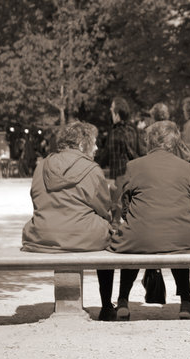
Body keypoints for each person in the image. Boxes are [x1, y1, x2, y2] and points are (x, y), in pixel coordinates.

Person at [106, 121, 190, 320]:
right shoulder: (187, 168)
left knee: (135, 236)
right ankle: (186, 303)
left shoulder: (134, 166)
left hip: (140, 236)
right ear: (173, 143)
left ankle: (122, 301)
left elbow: (125, 203)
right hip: (182, 236)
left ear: (150, 141)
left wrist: (136, 218)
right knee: (176, 234)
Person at [20, 121, 115, 319]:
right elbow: (103, 208)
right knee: (108, 232)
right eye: (94, 143)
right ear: (82, 144)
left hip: (43, 236)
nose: (97, 148)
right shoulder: (91, 169)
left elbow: (36, 199)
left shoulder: (42, 166)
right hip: (82, 236)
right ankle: (106, 305)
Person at [107, 96, 141, 228]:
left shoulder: (116, 131)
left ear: (116, 112)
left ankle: (116, 232)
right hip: (132, 173)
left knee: (116, 208)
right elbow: (138, 151)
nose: (110, 109)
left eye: (112, 108)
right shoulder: (133, 129)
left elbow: (114, 156)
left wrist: (112, 180)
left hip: (120, 175)